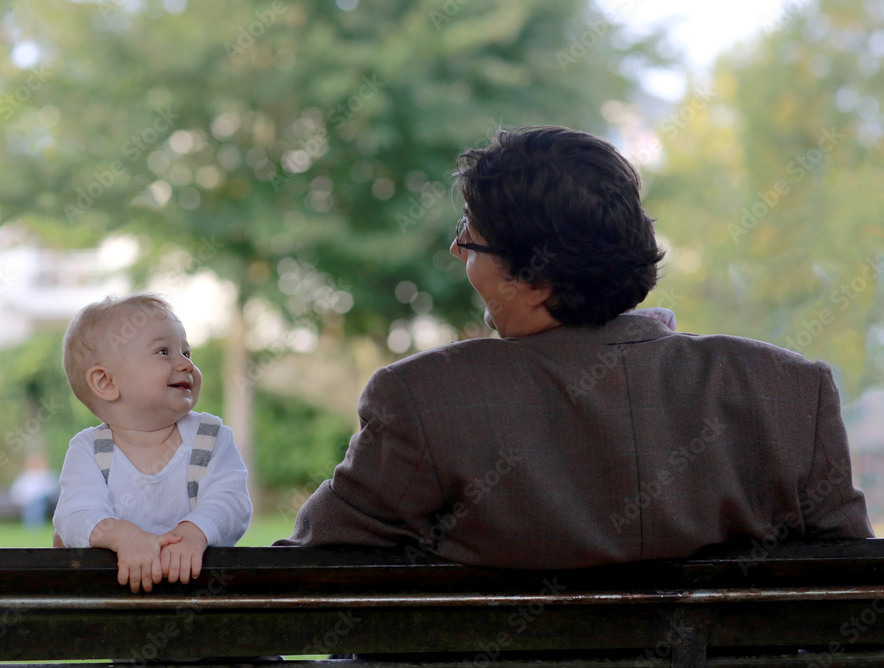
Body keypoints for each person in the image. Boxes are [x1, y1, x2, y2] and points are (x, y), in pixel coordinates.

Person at [275, 126, 874, 569]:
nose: (460, 255)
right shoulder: (789, 389)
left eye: (470, 241)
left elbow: (315, 574)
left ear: (536, 281)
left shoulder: (424, 399)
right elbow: (850, 589)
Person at [53, 293, 252, 592]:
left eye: (187, 352)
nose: (185, 364)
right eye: (163, 352)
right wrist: (122, 536)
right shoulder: (90, 451)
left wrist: (194, 531)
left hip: (198, 591)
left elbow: (232, 501)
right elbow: (74, 514)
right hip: (111, 594)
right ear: (106, 382)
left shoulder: (210, 439)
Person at [9, 452, 59, 528]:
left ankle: (34, 525)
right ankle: (33, 525)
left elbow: (54, 490)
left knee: (38, 501)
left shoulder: (48, 475)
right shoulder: (24, 477)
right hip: (28, 501)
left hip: (47, 501)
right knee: (34, 503)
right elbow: (16, 492)